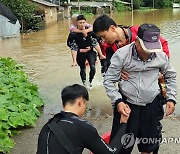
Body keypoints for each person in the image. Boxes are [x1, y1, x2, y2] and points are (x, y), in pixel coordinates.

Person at [93, 14, 169, 153]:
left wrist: (155, 66)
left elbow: (163, 48)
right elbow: (108, 70)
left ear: (112, 28)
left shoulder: (139, 33)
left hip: (150, 90)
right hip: (129, 95)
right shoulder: (109, 47)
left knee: (151, 134)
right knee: (123, 134)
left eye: (103, 36)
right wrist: (119, 70)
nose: (103, 41)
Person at [37, 84, 131, 154]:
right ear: (80, 102)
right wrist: (123, 124)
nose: (85, 108)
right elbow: (112, 152)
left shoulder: (48, 125)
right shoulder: (81, 127)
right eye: (86, 104)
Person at [69, 14, 105, 87]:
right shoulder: (73, 34)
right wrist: (79, 51)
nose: (82, 24)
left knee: (92, 67)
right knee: (82, 68)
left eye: (83, 22)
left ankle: (90, 82)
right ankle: (85, 84)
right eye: (80, 23)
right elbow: (71, 45)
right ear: (77, 23)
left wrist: (93, 48)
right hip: (80, 53)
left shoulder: (90, 31)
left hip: (90, 52)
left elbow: (96, 41)